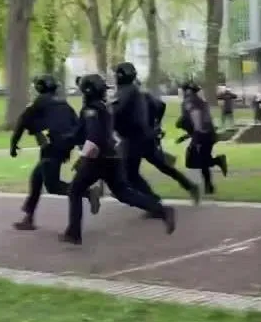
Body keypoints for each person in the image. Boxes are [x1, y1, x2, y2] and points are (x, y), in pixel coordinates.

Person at [61, 73, 176, 245]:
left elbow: (93, 137)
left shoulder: (91, 110)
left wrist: (83, 156)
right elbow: (79, 133)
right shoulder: (105, 107)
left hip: (98, 159)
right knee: (123, 193)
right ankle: (161, 210)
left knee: (75, 190)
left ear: (86, 91)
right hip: (114, 157)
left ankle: (74, 233)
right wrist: (64, 141)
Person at [11, 74, 102, 231]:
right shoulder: (64, 104)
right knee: (37, 178)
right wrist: (81, 149)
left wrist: (13, 145)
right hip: (64, 146)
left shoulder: (38, 103)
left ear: (39, 88)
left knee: (53, 186)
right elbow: (78, 126)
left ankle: (87, 193)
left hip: (52, 147)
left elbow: (21, 123)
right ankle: (29, 218)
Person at [112, 62, 200, 217]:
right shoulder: (140, 93)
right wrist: (156, 125)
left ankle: (153, 203)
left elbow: (115, 112)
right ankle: (189, 186)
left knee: (131, 175)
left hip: (133, 140)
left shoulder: (124, 93)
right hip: (146, 137)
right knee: (163, 166)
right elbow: (161, 106)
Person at [176, 80, 228, 194]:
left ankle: (214, 170)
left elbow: (196, 117)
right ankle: (209, 185)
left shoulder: (189, 101)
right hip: (208, 134)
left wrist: (198, 135)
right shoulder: (200, 101)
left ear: (187, 90)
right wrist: (186, 136)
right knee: (200, 160)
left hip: (202, 134)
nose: (182, 92)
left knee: (195, 160)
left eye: (183, 90)